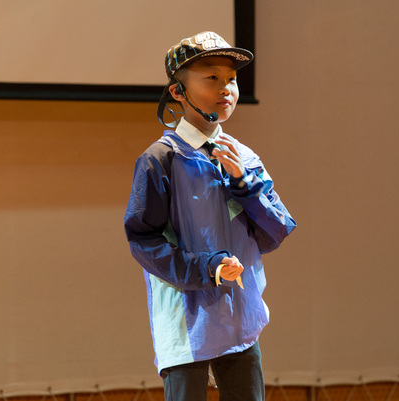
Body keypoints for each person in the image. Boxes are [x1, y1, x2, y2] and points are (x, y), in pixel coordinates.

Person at [124, 31, 296, 401]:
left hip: (241, 320)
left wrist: (244, 183)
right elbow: (144, 240)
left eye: (231, 79)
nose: (226, 89)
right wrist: (208, 267)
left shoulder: (243, 157)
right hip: (188, 322)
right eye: (212, 78)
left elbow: (275, 231)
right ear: (177, 92)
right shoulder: (160, 159)